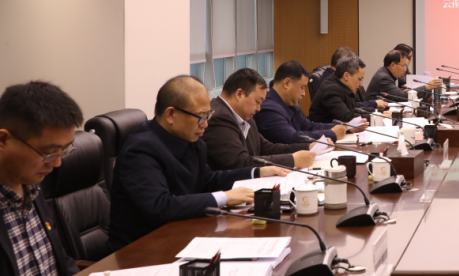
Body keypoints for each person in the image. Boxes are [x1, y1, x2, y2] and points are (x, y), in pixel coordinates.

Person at [109, 76, 290, 251]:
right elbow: (161, 206)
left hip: (182, 236)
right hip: (142, 251)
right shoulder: (141, 150)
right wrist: (224, 197)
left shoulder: (192, 142)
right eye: (201, 116)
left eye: (208, 115)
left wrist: (257, 173)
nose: (205, 124)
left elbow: (208, 180)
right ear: (171, 114)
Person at [0, 82, 82, 276]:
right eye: (48, 153)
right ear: (3, 140)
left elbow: (57, 261)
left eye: (64, 150)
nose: (57, 163)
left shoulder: (32, 184)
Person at [206, 68, 316, 171]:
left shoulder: (244, 116)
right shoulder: (218, 118)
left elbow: (267, 148)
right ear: (239, 94)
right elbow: (240, 162)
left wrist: (308, 147)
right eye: (257, 102)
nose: (259, 109)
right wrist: (292, 160)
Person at [256, 61, 346, 144]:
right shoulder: (268, 110)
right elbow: (293, 138)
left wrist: (343, 127)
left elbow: (309, 126)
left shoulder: (287, 104)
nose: (304, 94)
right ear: (287, 83)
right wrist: (332, 133)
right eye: (302, 87)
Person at [310, 55, 378, 123]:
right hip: (327, 129)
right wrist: (376, 117)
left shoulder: (342, 85)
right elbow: (346, 117)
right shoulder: (331, 90)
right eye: (360, 79)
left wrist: (379, 113)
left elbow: (354, 109)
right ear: (346, 76)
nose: (361, 84)